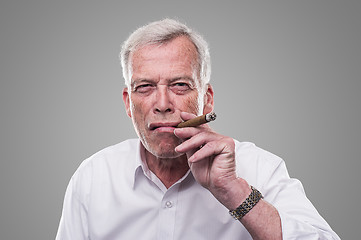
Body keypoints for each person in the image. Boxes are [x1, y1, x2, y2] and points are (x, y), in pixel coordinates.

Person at [56, 19, 340, 240]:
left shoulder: (261, 169)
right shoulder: (92, 178)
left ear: (208, 100)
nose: (163, 104)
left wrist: (235, 192)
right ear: (129, 103)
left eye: (180, 85)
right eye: (145, 87)